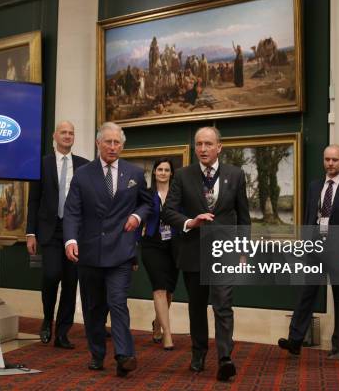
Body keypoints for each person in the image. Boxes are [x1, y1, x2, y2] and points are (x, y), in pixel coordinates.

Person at [161, 126, 250, 381]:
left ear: (219, 147)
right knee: (197, 306)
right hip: (192, 251)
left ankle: (225, 358)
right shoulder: (182, 175)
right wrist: (190, 221)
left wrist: (244, 250)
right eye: (199, 144)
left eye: (208, 144)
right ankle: (198, 353)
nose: (203, 149)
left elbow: (243, 217)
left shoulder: (235, 174)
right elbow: (168, 212)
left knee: (223, 304)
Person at [63, 122, 151, 377]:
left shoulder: (134, 172)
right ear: (98, 143)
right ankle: (97, 353)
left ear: (122, 146)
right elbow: (72, 212)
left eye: (117, 143)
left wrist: (137, 216)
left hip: (121, 250)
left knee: (117, 302)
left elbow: (147, 204)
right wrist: (70, 240)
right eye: (108, 142)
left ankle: (124, 355)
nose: (113, 147)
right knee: (94, 307)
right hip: (90, 252)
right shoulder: (83, 174)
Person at [278, 145, 339, 358]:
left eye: (335, 160)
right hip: (315, 249)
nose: (330, 163)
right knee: (306, 294)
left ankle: (338, 346)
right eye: (327, 159)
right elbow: (310, 218)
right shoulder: (314, 186)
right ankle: (295, 341)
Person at [26, 121, 89, 348]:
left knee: (71, 283)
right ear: (55, 136)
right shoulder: (42, 164)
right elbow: (33, 200)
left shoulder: (84, 166)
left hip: (75, 232)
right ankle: (47, 319)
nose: (67, 136)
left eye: (71, 133)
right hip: (49, 231)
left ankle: (63, 332)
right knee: (52, 275)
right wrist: (30, 233)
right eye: (63, 132)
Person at [141, 158, 179, 350]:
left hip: (174, 246)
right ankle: (168, 335)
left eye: (167, 170)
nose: (163, 172)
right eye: (159, 169)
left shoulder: (177, 194)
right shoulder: (146, 194)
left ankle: (157, 323)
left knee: (170, 291)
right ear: (154, 172)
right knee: (159, 288)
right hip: (151, 245)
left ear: (171, 173)